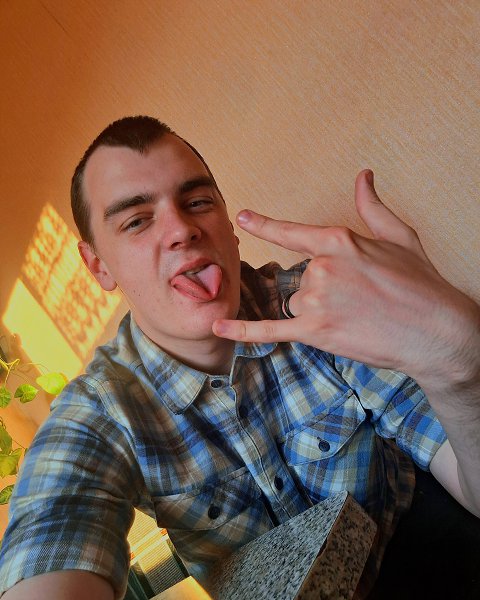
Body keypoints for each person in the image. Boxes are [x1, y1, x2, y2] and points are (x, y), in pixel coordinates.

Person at [0, 116, 478, 600]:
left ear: (229, 226)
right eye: (137, 221)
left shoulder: (323, 303)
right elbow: (54, 524)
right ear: (99, 265)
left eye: (197, 202)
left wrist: (460, 358)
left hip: (429, 547)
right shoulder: (100, 413)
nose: (182, 229)